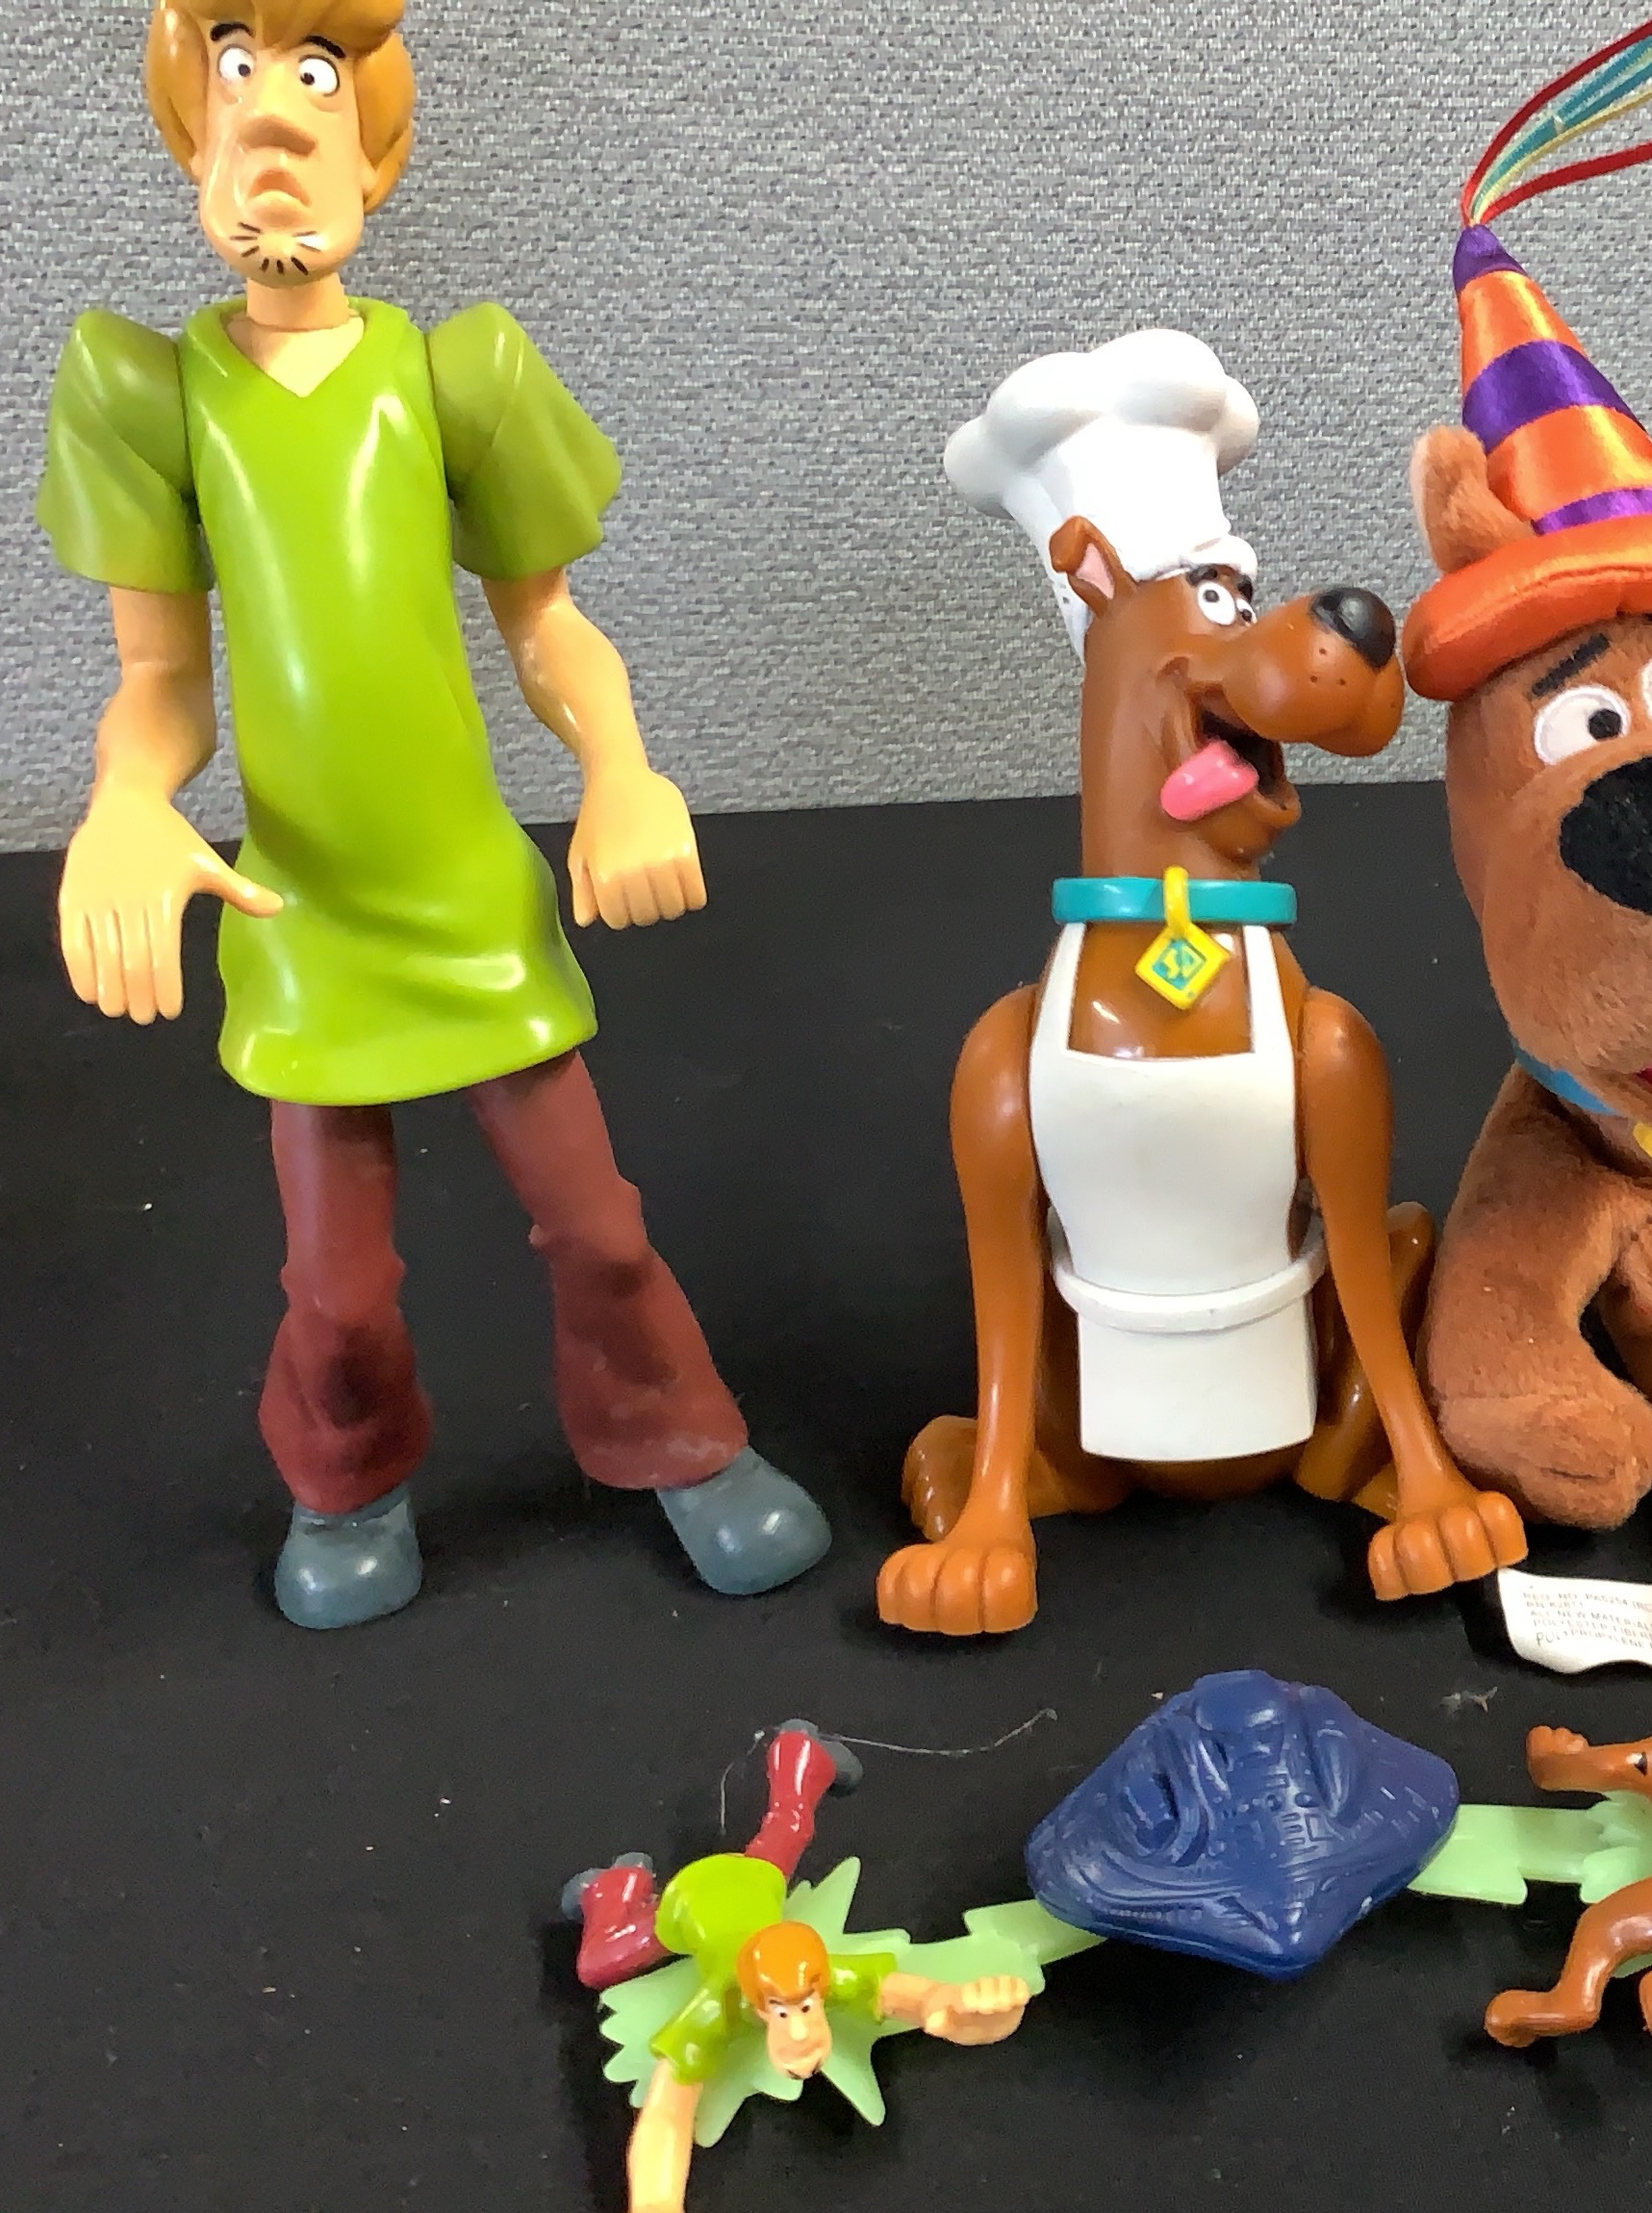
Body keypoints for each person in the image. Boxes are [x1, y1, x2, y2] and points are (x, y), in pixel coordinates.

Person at [35, 0, 827, 1622]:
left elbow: (548, 625)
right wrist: (122, 797)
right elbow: (163, 677)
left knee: (599, 1228)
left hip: (470, 902)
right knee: (333, 1288)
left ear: (375, 146)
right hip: (301, 918)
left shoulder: (455, 374)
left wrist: (620, 766)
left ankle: (677, 1440)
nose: (273, 120)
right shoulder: (151, 394)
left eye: (313, 78)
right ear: (190, 131)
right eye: (236, 73)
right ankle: (347, 1482)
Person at [567, 1724, 1033, 2213]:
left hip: (754, 1881)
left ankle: (802, 1753)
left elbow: (912, 1996)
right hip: (683, 1905)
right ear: (754, 2003)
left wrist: (954, 2007)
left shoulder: (821, 1973)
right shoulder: (714, 2007)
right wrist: (655, 2202)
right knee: (598, 1964)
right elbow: (667, 2115)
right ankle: (617, 1886)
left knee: (789, 1828)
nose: (800, 2031)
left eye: (806, 2005)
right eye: (781, 2010)